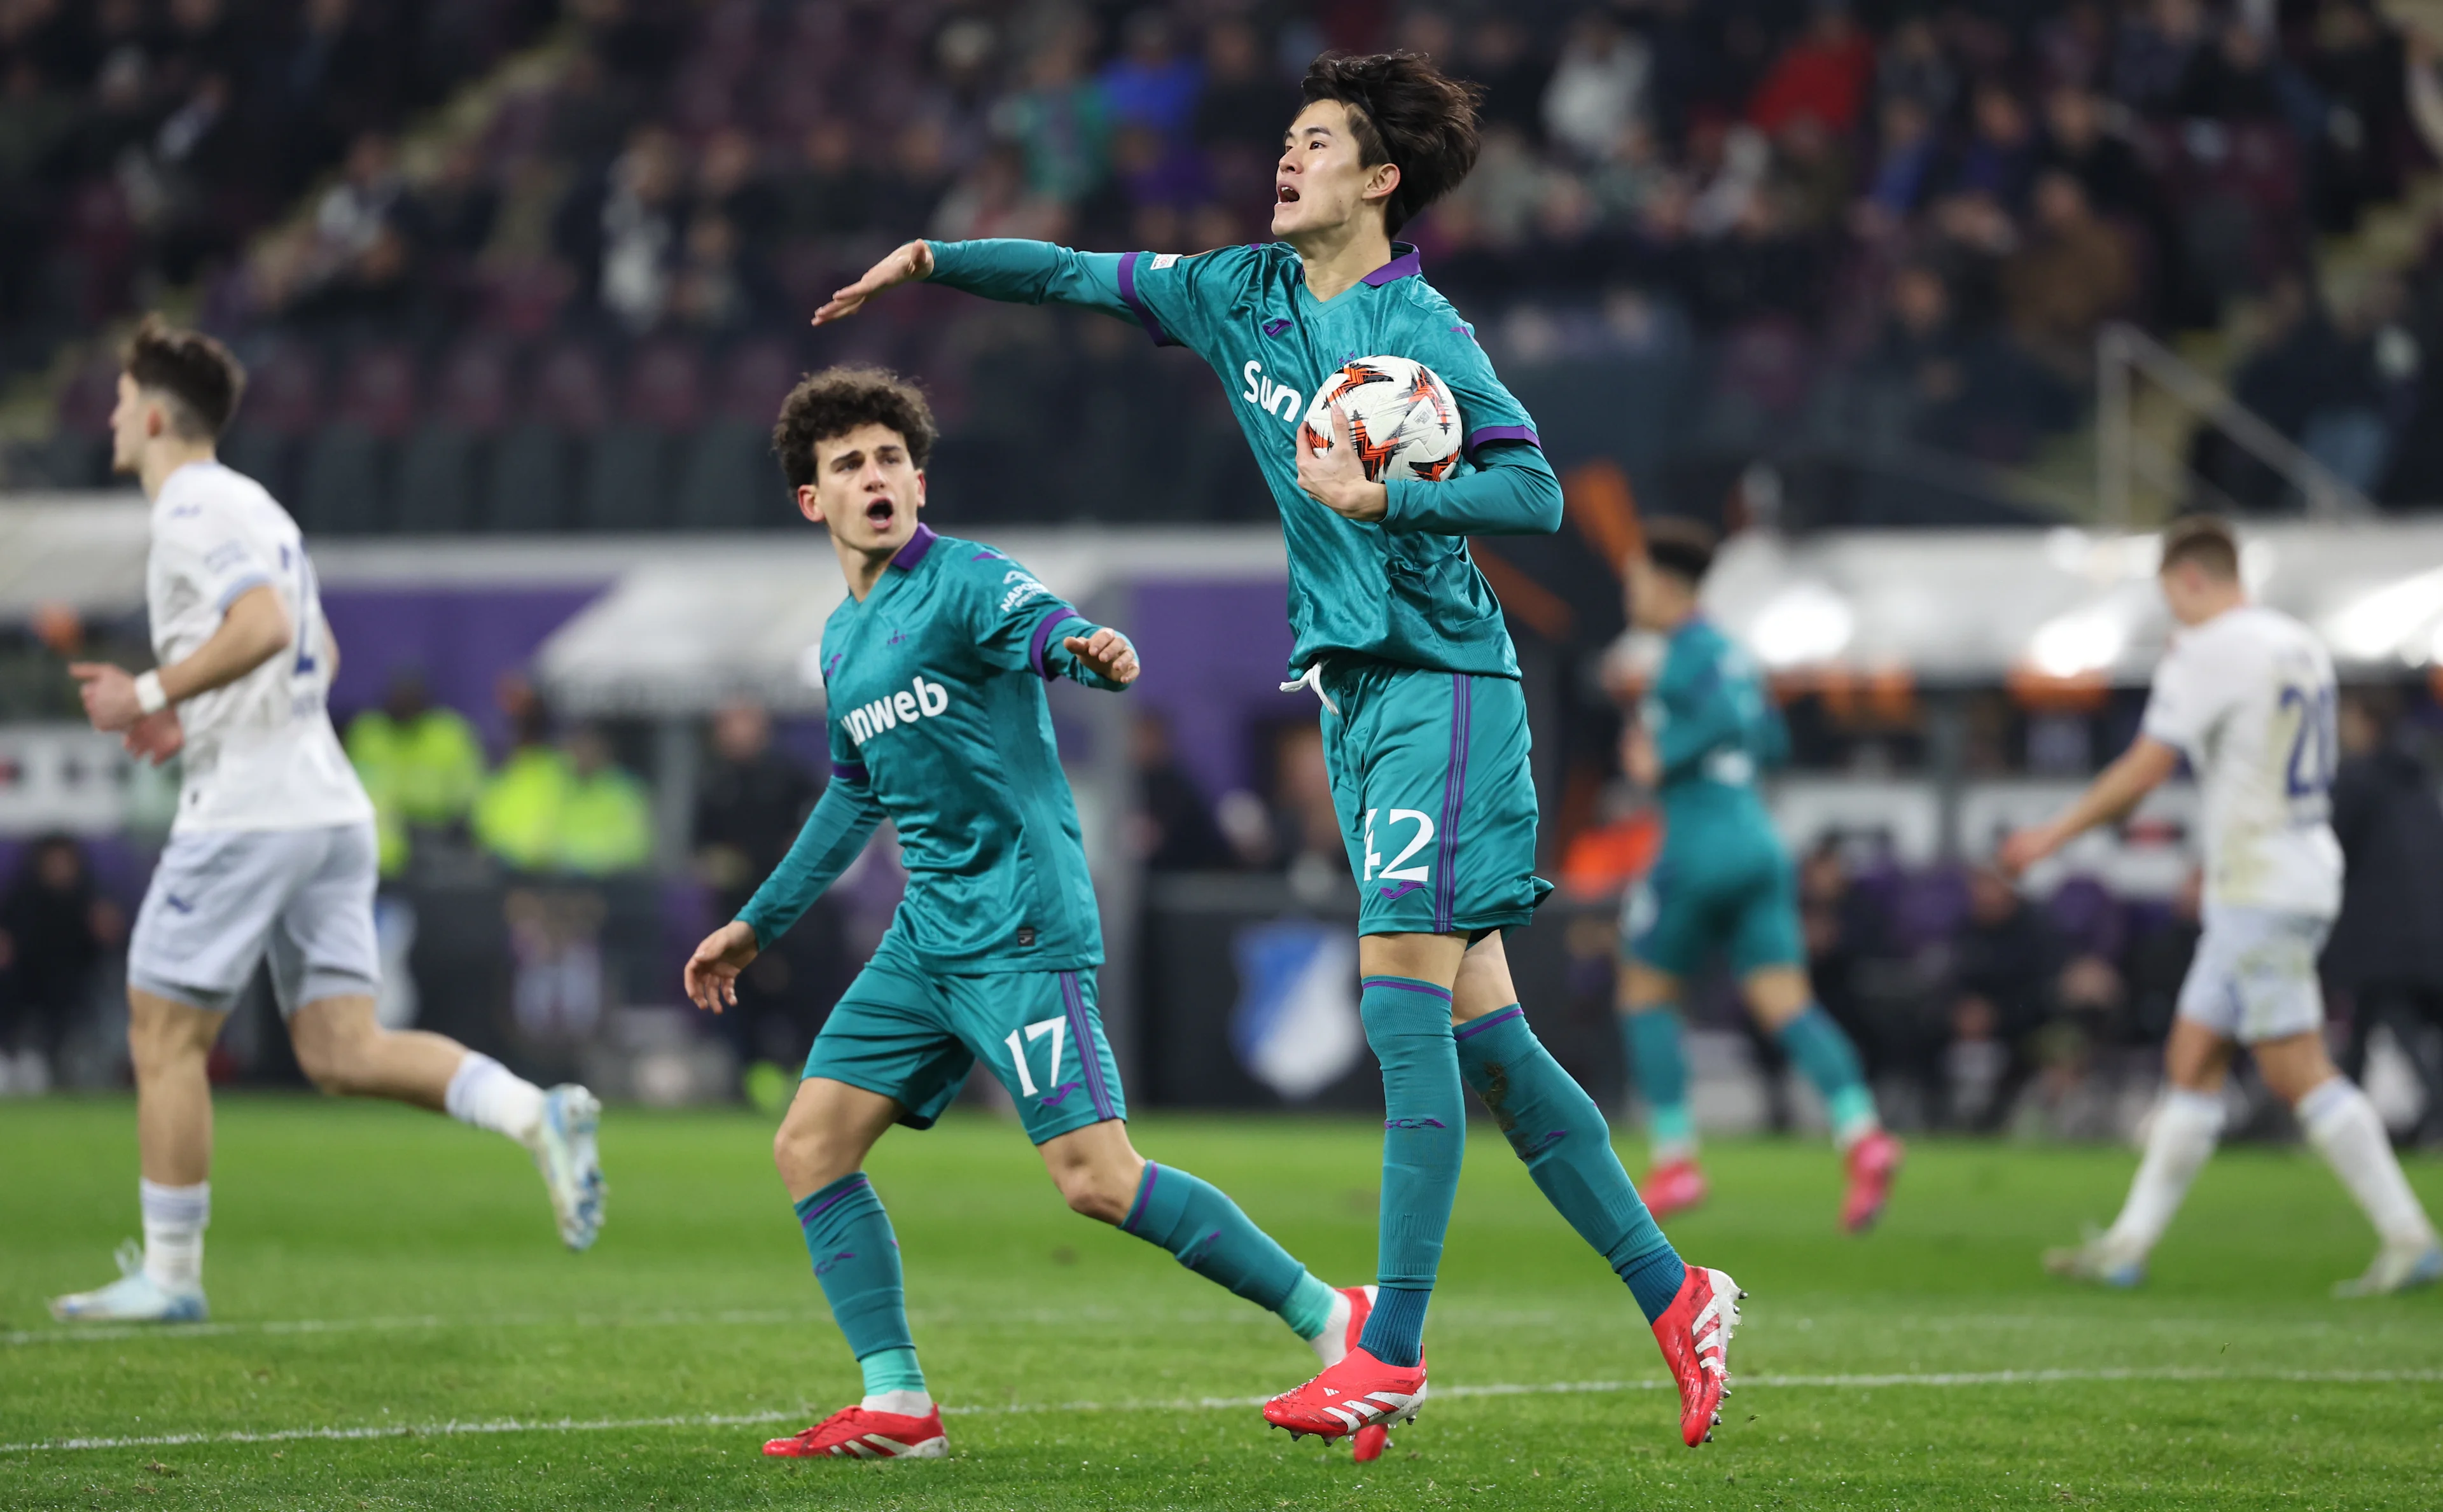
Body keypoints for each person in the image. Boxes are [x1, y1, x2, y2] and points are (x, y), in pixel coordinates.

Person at [809, 50, 1740, 1452]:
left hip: (1446, 685)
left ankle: (1395, 1352)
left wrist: (1385, 492)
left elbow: (1533, 487)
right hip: (1358, 699)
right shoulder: (1233, 289)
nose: (1285, 158)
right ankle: (1679, 1297)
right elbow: (1080, 275)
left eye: (1316, 142)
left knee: (1400, 1017)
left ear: (1379, 181)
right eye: (1287, 138)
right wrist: (938, 257)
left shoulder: (1421, 324)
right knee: (1492, 1043)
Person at [681, 368, 1373, 1463]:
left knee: (1096, 1179)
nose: (875, 476)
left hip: (1018, 921)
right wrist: (759, 923)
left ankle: (1337, 1318)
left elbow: (1039, 623)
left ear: (919, 476)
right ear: (812, 499)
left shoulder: (965, 581)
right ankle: (899, 1401)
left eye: (889, 457)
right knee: (811, 1145)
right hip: (928, 934)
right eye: (848, 463)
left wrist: (1083, 647)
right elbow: (856, 791)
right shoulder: (841, 641)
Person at [48, 318, 604, 1326]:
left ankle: (171, 1273)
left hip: (250, 813)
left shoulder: (190, 508)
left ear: (159, 412)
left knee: (161, 1032)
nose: (115, 414)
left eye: (125, 398)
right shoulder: (258, 506)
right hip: (326, 801)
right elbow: (323, 651)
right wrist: (201, 719)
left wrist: (148, 692)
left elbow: (261, 627)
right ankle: (538, 1111)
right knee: (342, 1050)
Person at [2002, 516, 2441, 1296]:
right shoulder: (2299, 642)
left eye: (2171, 595)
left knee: (2294, 1068)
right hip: (2288, 870)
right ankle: (2128, 1245)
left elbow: (2145, 769)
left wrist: (2051, 835)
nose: (2172, 614)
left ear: (2192, 579)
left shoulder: (2212, 648)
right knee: (2194, 1058)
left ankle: (2410, 1235)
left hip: (2262, 885)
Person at [1615, 520, 1904, 1226]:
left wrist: (1662, 756)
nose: (1630, 595)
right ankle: (1862, 1133)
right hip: (1759, 841)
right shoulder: (1738, 654)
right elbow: (1768, 737)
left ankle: (1676, 1156)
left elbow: (1707, 724)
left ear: (1663, 583)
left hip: (1701, 841)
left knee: (1644, 994)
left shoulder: (1682, 655)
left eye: (1634, 580)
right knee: (1787, 1003)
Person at [2325, 689, 2443, 1145]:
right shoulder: (2420, 782)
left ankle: (2435, 1110)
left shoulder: (2358, 779)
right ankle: (2339, 1129)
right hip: (2426, 933)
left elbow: (2333, 848)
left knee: (2401, 1028)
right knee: (2365, 1032)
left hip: (2381, 938)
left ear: (2366, 722)